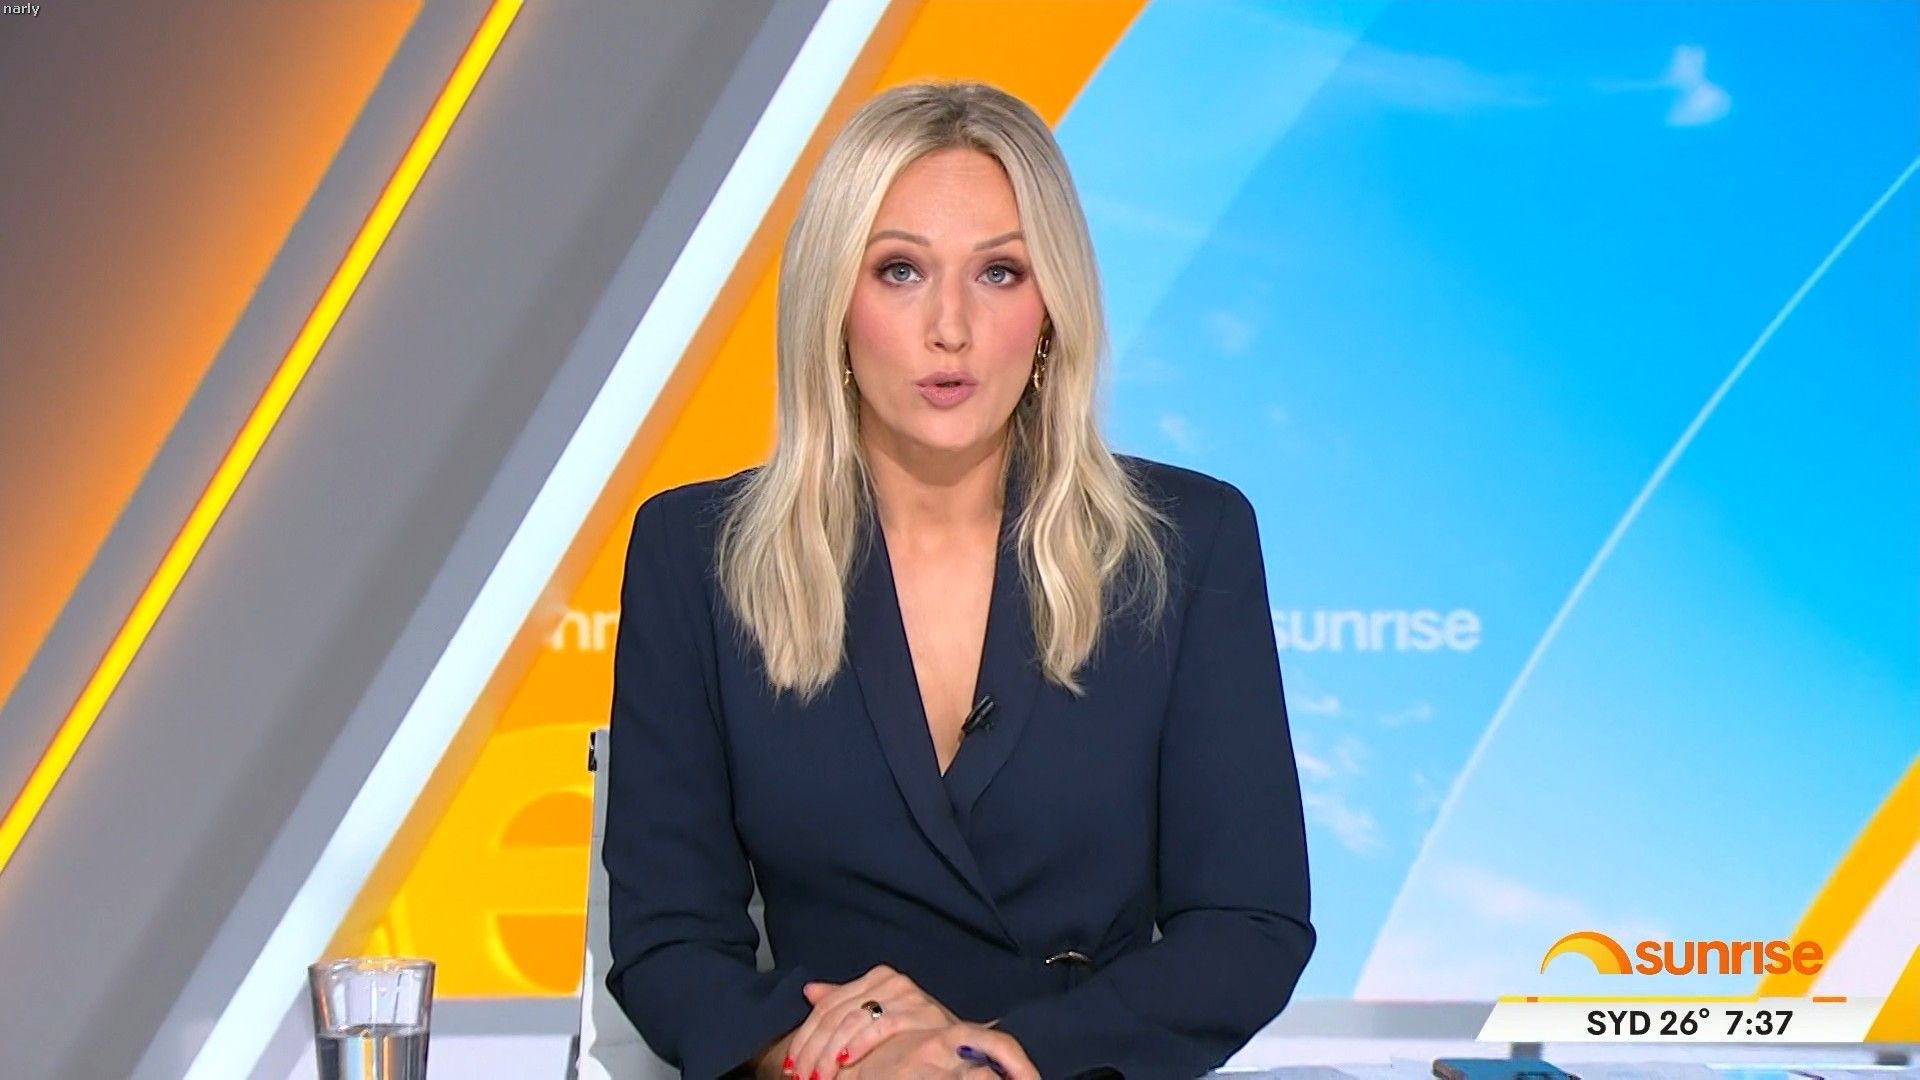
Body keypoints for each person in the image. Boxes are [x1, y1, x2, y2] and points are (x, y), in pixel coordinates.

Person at [603, 80, 1314, 1080]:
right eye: (899, 270)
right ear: (831, 304)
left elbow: (1248, 925)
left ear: (1052, 309)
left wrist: (996, 1056)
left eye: (999, 272)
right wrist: (839, 1055)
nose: (951, 326)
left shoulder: (1187, 543)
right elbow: (669, 939)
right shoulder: (696, 553)